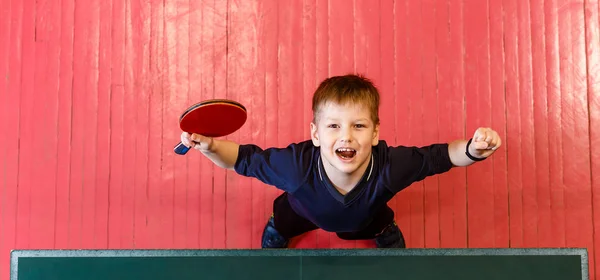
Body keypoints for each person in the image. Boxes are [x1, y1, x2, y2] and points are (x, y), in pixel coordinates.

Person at [180, 74, 501, 248]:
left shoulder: (390, 167)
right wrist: (210, 147)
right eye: (333, 126)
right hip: (301, 211)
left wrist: (472, 150)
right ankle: (278, 229)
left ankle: (383, 231)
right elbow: (241, 158)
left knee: (375, 224)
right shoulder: (295, 167)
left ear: (375, 133)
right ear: (316, 134)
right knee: (285, 220)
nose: (346, 136)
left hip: (366, 217)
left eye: (358, 126)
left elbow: (441, 156)